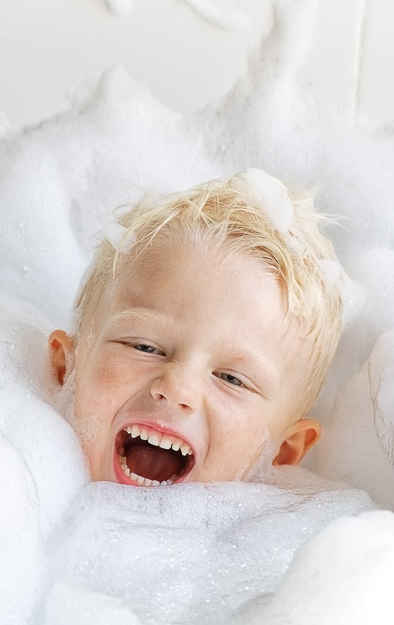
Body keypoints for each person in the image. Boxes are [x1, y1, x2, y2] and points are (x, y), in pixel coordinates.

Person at [48, 170, 345, 487]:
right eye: (145, 347)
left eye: (231, 379)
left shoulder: (288, 534)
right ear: (66, 370)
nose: (177, 388)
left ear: (280, 454)